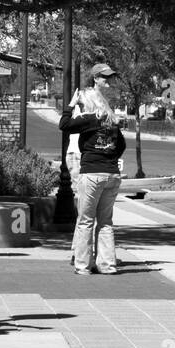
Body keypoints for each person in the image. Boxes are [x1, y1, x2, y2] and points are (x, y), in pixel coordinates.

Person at [60, 63, 126, 275]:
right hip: (112, 174)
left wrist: (70, 106)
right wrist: (110, 156)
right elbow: (122, 145)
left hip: (92, 172)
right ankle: (107, 265)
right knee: (106, 222)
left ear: (87, 103)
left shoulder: (89, 119)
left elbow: (64, 124)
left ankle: (83, 265)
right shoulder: (112, 120)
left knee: (86, 221)